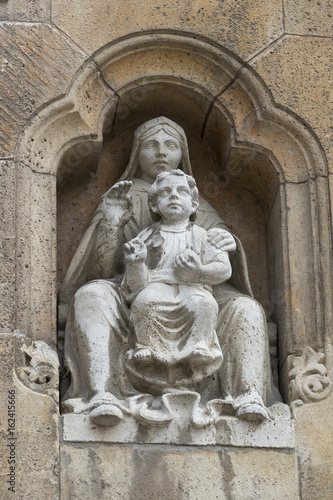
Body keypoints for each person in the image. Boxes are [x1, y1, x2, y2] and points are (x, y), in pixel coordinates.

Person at [59, 116, 277, 426]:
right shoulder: (121, 195)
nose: (161, 152)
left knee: (247, 310)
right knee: (91, 296)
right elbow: (102, 267)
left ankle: (247, 395)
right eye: (151, 145)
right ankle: (102, 393)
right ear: (137, 152)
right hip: (138, 287)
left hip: (198, 289)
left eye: (171, 145)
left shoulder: (194, 200)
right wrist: (111, 223)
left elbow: (222, 256)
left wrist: (227, 244)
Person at [122, 170, 233, 391]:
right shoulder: (145, 236)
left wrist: (199, 273)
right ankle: (145, 345)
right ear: (154, 205)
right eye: (165, 192)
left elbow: (224, 269)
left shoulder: (204, 235)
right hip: (157, 285)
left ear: (194, 205)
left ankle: (200, 345)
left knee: (204, 303)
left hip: (193, 286)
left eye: (181, 191)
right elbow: (135, 286)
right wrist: (136, 263)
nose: (173, 196)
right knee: (145, 302)